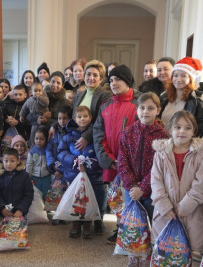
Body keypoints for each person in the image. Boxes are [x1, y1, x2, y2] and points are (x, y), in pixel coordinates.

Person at [150, 111, 203, 267]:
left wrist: (184, 207)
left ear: (194, 131)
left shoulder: (202, 155)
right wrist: (165, 207)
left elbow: (200, 185)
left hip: (192, 211)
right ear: (170, 130)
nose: (182, 132)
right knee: (166, 247)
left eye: (187, 127)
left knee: (189, 250)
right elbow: (156, 182)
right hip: (165, 212)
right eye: (177, 127)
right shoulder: (160, 154)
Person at [117, 92, 168, 267]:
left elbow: (159, 168)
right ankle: (132, 263)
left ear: (158, 110)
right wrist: (131, 186)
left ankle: (146, 265)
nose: (145, 111)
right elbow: (122, 162)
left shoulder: (163, 136)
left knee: (149, 230)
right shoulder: (128, 132)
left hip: (151, 192)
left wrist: (143, 188)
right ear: (136, 110)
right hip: (131, 191)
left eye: (150, 108)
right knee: (134, 229)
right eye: (142, 108)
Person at [93, 64, 141, 243]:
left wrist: (125, 161)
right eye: (111, 80)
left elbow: (140, 136)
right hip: (112, 161)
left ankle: (132, 231)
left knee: (131, 196)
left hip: (130, 162)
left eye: (118, 79)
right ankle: (120, 227)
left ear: (127, 81)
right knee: (116, 196)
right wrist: (108, 159)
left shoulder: (139, 103)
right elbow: (99, 134)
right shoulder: (105, 105)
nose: (114, 83)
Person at [57, 106, 105, 239]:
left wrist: (89, 164)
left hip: (93, 175)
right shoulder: (67, 137)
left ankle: (89, 222)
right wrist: (73, 160)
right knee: (76, 200)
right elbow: (61, 153)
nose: (82, 119)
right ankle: (76, 223)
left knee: (92, 199)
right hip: (74, 174)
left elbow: (100, 152)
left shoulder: (96, 134)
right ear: (74, 119)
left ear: (90, 118)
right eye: (79, 117)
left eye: (85, 116)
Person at [159, 57, 203, 137]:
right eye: (175, 75)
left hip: (185, 147)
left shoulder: (199, 104)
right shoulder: (163, 99)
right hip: (162, 145)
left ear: (191, 79)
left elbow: (202, 135)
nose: (178, 79)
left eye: (183, 76)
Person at [72, 60, 112, 149]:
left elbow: (101, 121)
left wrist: (86, 137)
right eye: (88, 74)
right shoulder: (78, 96)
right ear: (84, 76)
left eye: (95, 75)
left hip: (95, 142)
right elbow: (74, 117)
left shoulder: (106, 95)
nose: (91, 78)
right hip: (77, 139)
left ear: (101, 79)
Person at [0, 148, 34, 218]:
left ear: (17, 161)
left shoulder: (25, 176)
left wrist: (21, 209)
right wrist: (2, 208)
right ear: (2, 160)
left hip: (19, 213)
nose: (9, 164)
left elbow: (28, 195)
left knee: (19, 228)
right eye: (6, 161)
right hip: (2, 212)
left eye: (12, 161)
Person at [19, 82, 50, 147]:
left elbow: (46, 103)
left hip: (42, 119)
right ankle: (32, 146)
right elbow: (24, 108)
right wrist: (22, 115)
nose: (37, 92)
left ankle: (44, 146)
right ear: (31, 92)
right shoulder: (29, 100)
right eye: (35, 91)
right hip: (34, 121)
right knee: (33, 134)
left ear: (42, 91)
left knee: (42, 133)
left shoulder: (44, 97)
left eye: (39, 91)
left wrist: (39, 97)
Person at [46, 105, 72, 180]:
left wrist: (61, 169)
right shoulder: (54, 133)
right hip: (56, 170)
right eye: (59, 118)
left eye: (65, 118)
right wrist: (53, 165)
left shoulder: (72, 134)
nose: (62, 121)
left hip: (69, 170)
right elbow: (49, 150)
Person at [26, 127, 51, 201]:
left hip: (46, 176)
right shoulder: (32, 151)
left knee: (46, 193)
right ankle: (38, 211)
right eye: (36, 138)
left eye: (42, 139)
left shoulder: (48, 150)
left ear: (46, 139)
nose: (38, 141)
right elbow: (29, 165)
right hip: (34, 177)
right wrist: (28, 177)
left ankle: (45, 211)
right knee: (36, 195)